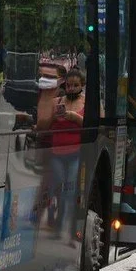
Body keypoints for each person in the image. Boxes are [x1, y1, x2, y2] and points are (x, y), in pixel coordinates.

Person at [47, 67, 86, 240]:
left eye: (75, 85)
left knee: (68, 191)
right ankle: (54, 216)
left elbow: (95, 126)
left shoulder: (86, 103)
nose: (71, 89)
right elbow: (44, 124)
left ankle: (61, 227)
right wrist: (54, 117)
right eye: (69, 85)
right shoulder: (56, 102)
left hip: (75, 153)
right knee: (58, 186)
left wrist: (75, 117)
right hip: (56, 152)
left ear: (82, 85)